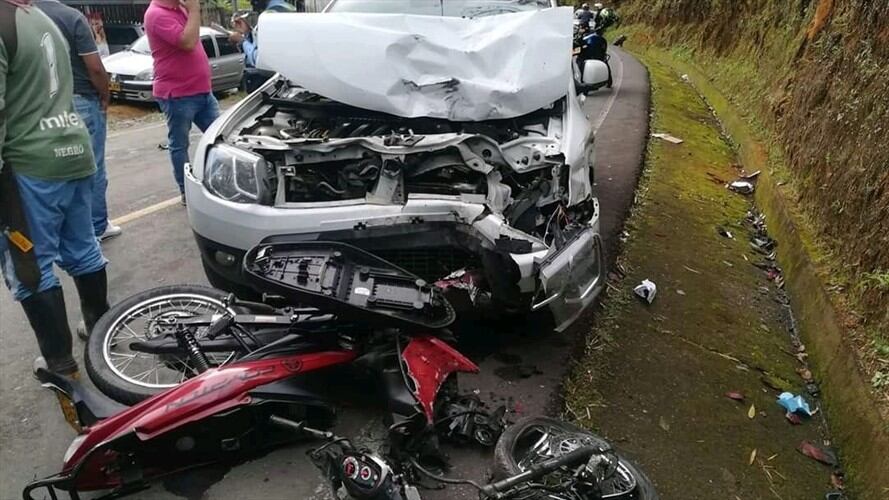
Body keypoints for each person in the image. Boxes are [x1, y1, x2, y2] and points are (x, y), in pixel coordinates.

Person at [1, 0, 111, 378]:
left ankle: (60, 363)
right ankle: (102, 342)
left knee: (30, 266)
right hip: (73, 148)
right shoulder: (38, 15)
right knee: (83, 249)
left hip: (31, 162)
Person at [35, 0, 122, 244]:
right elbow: (94, 67)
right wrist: (105, 94)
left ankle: (58, 231)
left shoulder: (23, 17)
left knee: (54, 168)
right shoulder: (70, 16)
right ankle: (96, 227)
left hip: (43, 104)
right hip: (80, 98)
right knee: (91, 167)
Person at [145, 0, 219, 204]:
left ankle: (221, 184)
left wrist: (190, 10)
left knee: (221, 139)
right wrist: (194, 9)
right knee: (179, 144)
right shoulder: (157, 14)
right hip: (178, 95)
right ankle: (186, 192)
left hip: (202, 91)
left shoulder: (178, 9)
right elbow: (187, 42)